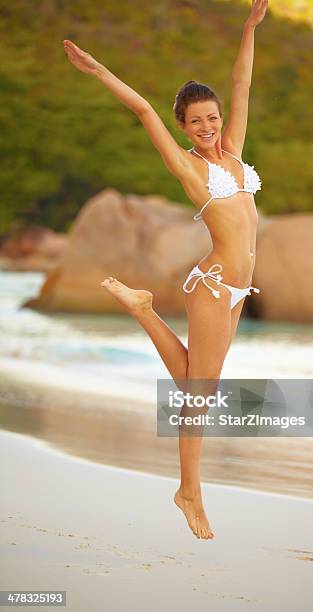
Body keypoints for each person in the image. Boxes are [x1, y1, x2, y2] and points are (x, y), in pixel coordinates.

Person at [63, 0, 268, 540]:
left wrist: (248, 28)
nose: (207, 126)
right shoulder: (190, 167)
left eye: (212, 117)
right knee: (197, 394)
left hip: (239, 288)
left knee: (199, 385)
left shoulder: (234, 154)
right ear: (185, 127)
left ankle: (145, 310)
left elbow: (242, 85)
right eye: (196, 121)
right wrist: (100, 70)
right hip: (213, 283)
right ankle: (188, 491)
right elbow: (145, 113)